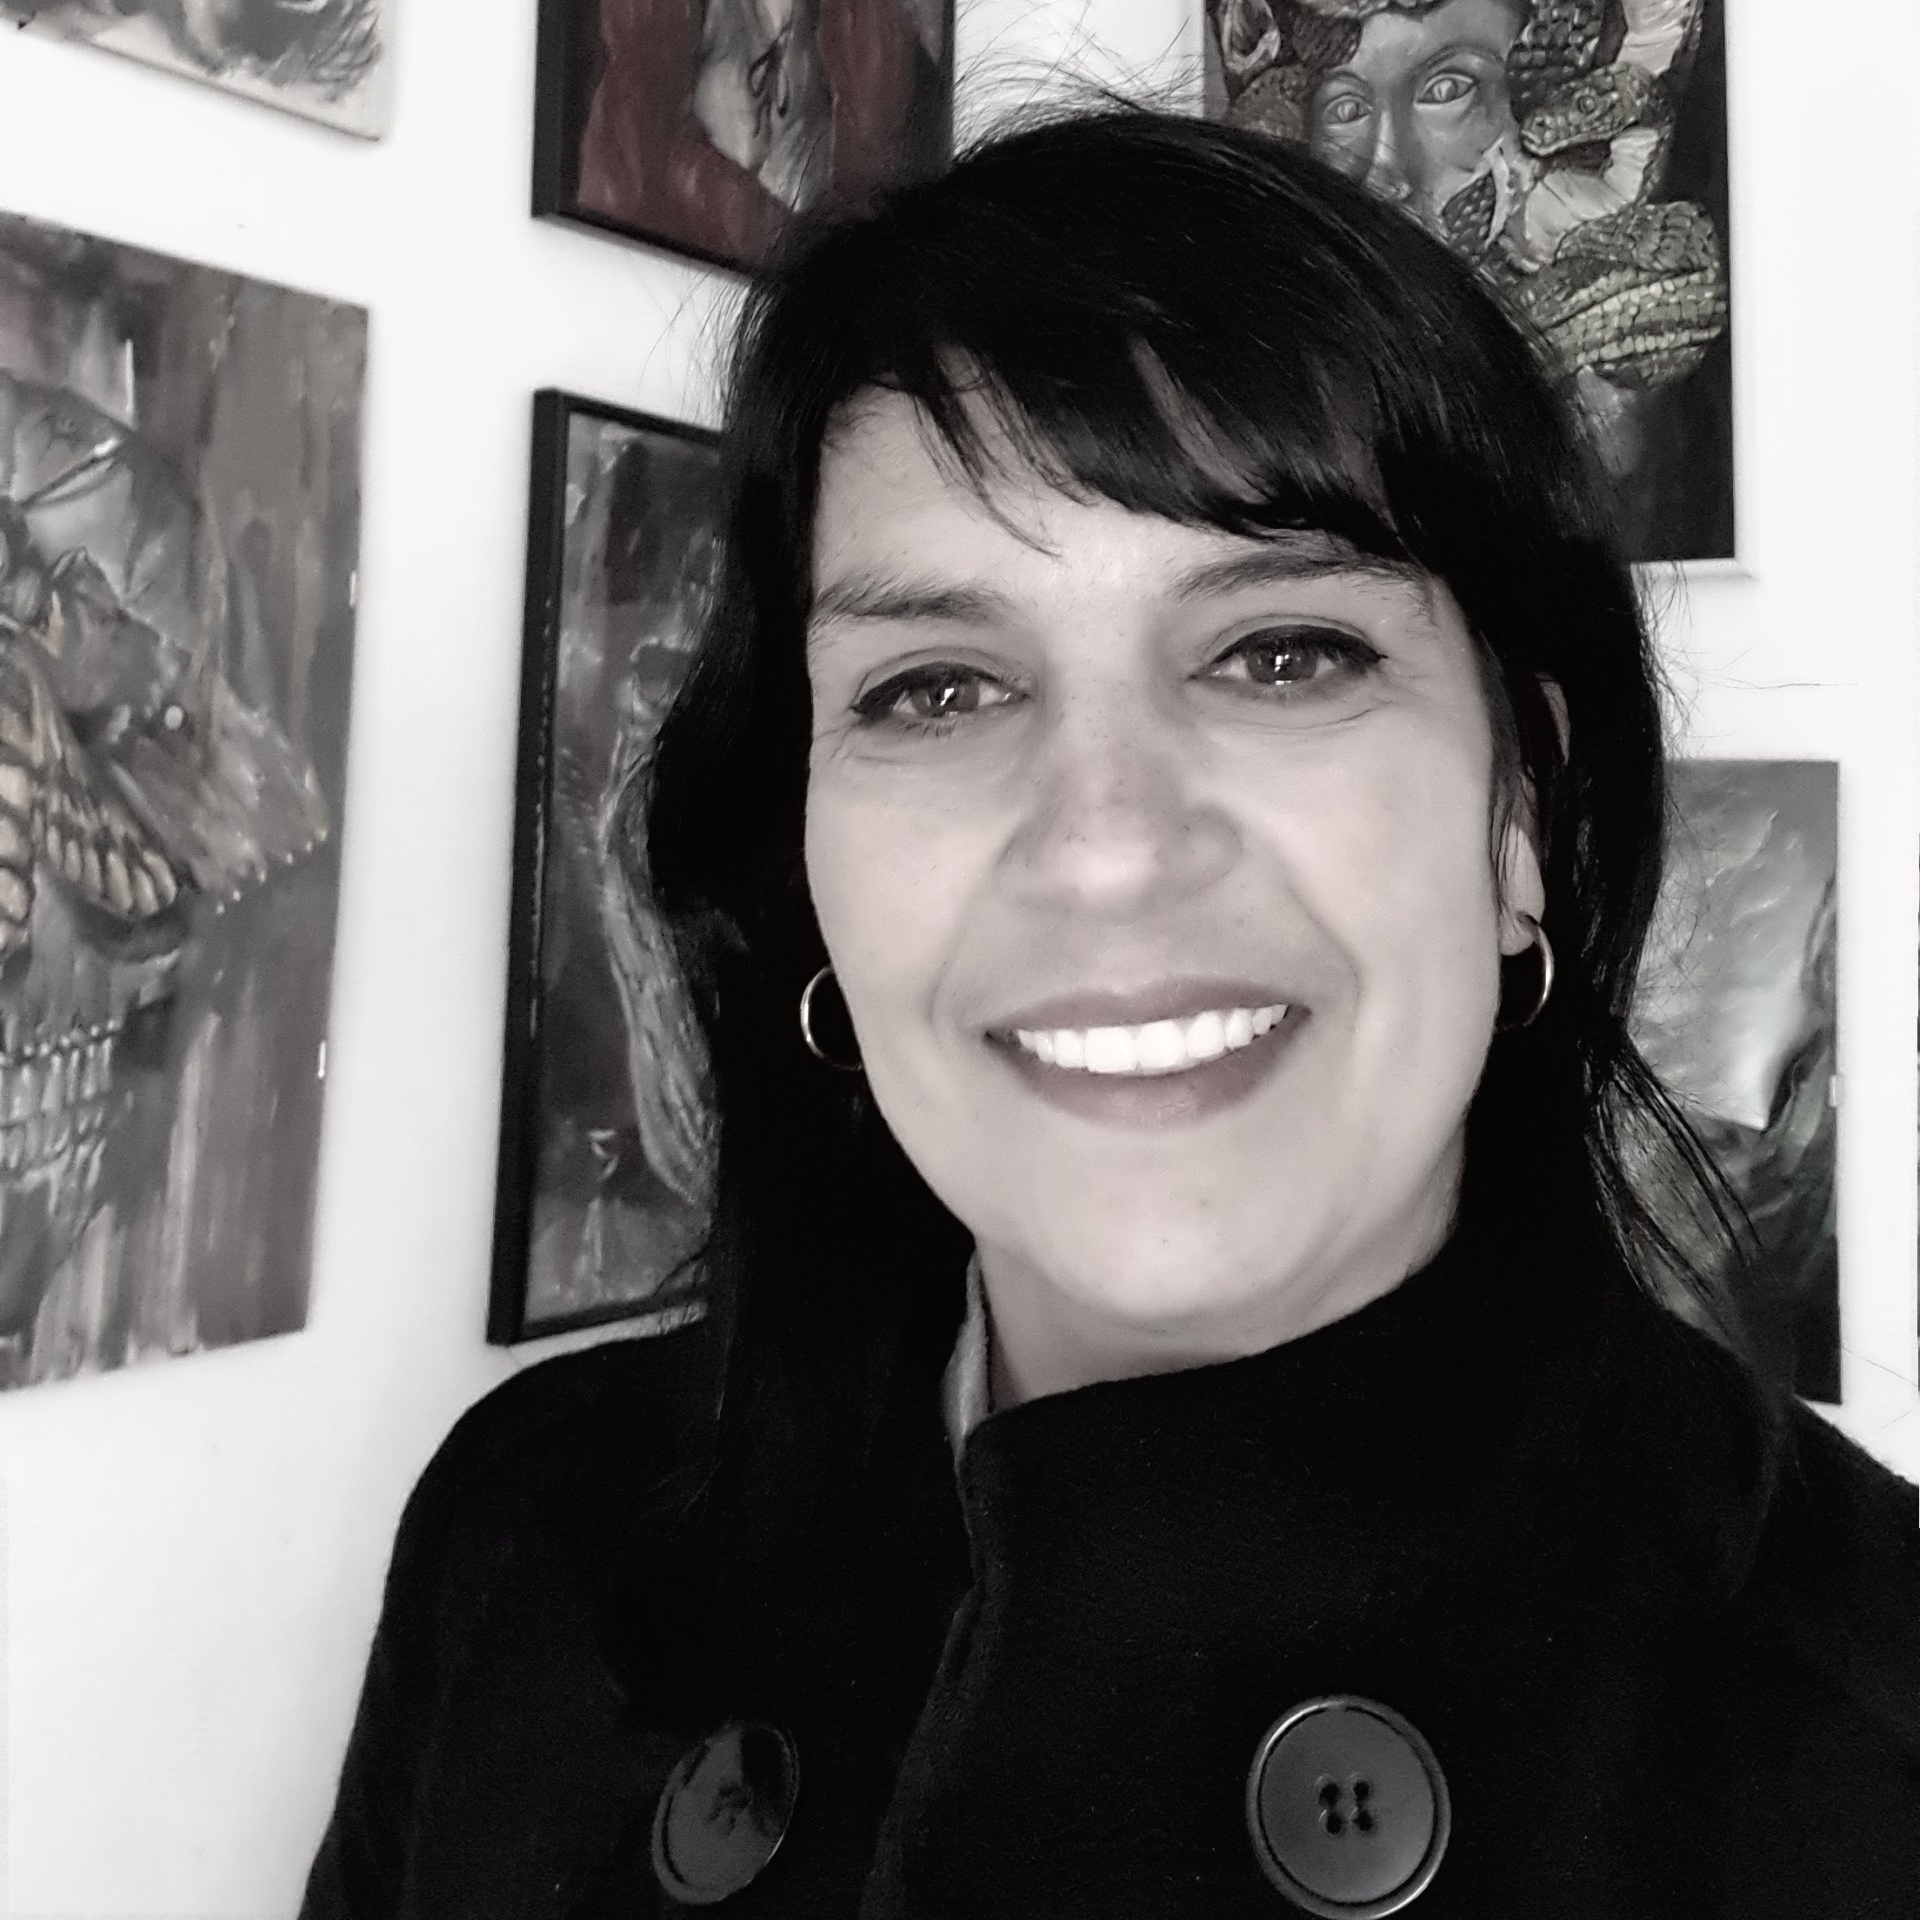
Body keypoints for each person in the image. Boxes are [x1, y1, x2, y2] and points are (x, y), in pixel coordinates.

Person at [300, 109, 1918, 1918]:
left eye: (1282, 653)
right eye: (936, 688)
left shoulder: (1866, 1715)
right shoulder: (533, 1531)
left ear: (1518, 814)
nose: (1105, 846)